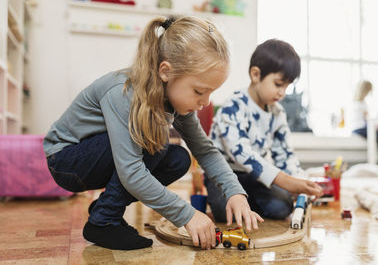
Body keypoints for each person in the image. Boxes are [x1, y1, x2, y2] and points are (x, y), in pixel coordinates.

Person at [43, 16, 263, 251]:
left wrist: (235, 192)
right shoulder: (123, 92)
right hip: (66, 160)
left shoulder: (178, 100)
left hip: (98, 157)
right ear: (165, 71)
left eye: (211, 93)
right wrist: (188, 215)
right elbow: (130, 172)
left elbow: (205, 151)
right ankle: (103, 221)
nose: (205, 102)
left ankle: (105, 209)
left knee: (178, 158)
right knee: (153, 141)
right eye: (199, 91)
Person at [205, 39, 323, 222]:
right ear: (255, 74)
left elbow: (284, 154)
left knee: (282, 207)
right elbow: (241, 153)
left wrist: (300, 181)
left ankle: (248, 203)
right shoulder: (233, 107)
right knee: (224, 212)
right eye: (278, 84)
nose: (283, 92)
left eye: (287, 86)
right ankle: (240, 202)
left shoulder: (277, 113)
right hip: (225, 175)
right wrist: (286, 182)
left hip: (254, 178)